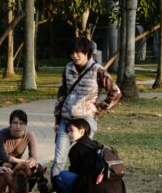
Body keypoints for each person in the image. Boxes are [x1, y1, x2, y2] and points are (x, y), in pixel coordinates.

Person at [51, 36, 122, 178]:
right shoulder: (68, 68)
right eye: (72, 52)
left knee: (83, 157)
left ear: (87, 53)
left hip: (85, 121)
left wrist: (99, 107)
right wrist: (58, 120)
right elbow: (61, 95)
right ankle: (54, 190)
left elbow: (116, 93)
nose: (74, 56)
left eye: (78, 52)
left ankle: (81, 190)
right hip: (66, 120)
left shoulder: (98, 70)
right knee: (59, 159)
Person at [51, 118, 125, 193]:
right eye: (68, 131)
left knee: (62, 176)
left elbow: (77, 172)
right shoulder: (97, 144)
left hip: (94, 189)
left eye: (71, 130)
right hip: (113, 189)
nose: (68, 133)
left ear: (82, 131)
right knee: (96, 175)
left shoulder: (76, 149)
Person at [0, 109, 46, 181]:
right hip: (1, 163)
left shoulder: (29, 135)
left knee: (37, 167)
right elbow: (4, 157)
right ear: (10, 124)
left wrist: (31, 162)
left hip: (17, 165)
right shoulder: (0, 134)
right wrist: (24, 161)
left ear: (25, 125)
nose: (18, 126)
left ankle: (26, 188)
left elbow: (33, 156)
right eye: (15, 123)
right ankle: (3, 186)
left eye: (21, 123)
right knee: (5, 168)